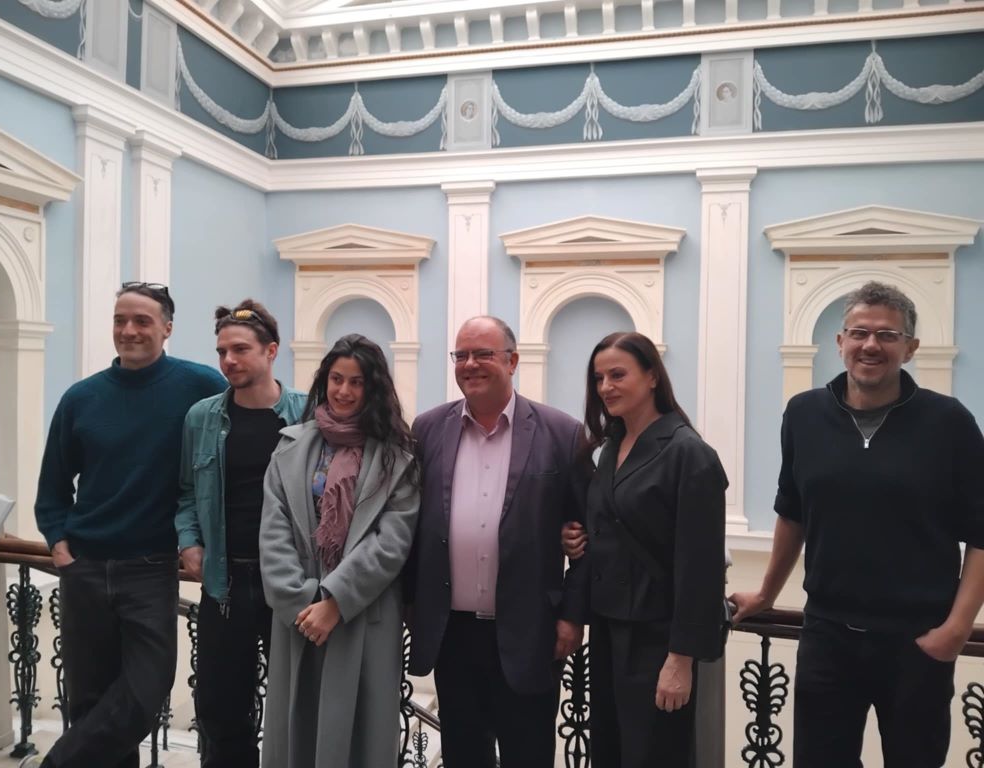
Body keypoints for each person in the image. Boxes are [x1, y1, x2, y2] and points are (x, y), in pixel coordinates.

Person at [730, 281, 984, 768]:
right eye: (859, 332)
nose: (871, 344)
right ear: (840, 341)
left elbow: (981, 533)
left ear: (910, 348)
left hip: (916, 642)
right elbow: (792, 512)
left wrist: (957, 627)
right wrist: (765, 593)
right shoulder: (803, 414)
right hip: (827, 636)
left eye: (888, 335)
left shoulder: (949, 422)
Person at [27, 282, 225, 768]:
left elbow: (253, 420)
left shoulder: (200, 387)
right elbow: (53, 485)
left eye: (142, 321)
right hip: (85, 568)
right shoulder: (81, 398)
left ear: (167, 328)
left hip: (151, 567)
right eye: (120, 320)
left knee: (144, 692)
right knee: (90, 702)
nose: (129, 330)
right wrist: (59, 544)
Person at [404, 315, 591, 768]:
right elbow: (408, 523)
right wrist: (410, 604)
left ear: (512, 360)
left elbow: (590, 533)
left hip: (530, 631)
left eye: (483, 353)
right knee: (464, 755)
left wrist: (572, 616)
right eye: (461, 355)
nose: (470, 364)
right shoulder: (427, 430)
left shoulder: (562, 433)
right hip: (452, 633)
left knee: (528, 755)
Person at [562, 331, 727, 767]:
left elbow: (701, 568)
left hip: (659, 641)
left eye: (618, 375)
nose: (606, 387)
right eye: (599, 378)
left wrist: (680, 660)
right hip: (609, 629)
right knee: (611, 754)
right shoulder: (610, 447)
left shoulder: (689, 453)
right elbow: (613, 522)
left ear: (652, 376)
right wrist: (576, 537)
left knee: (654, 757)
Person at [258, 334, 420, 768]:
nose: (343, 391)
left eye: (356, 382)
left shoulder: (398, 456)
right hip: (299, 615)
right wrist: (302, 600)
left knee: (359, 738)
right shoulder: (290, 446)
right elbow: (273, 529)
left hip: (362, 613)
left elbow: (392, 540)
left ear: (373, 388)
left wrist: (335, 601)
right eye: (336, 379)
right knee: (296, 731)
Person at [175, 300, 307, 768]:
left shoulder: (307, 413)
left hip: (290, 583)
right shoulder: (201, 417)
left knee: (296, 702)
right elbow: (186, 491)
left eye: (240, 349)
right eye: (222, 351)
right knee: (220, 706)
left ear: (271, 351)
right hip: (224, 583)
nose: (228, 360)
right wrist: (189, 541)